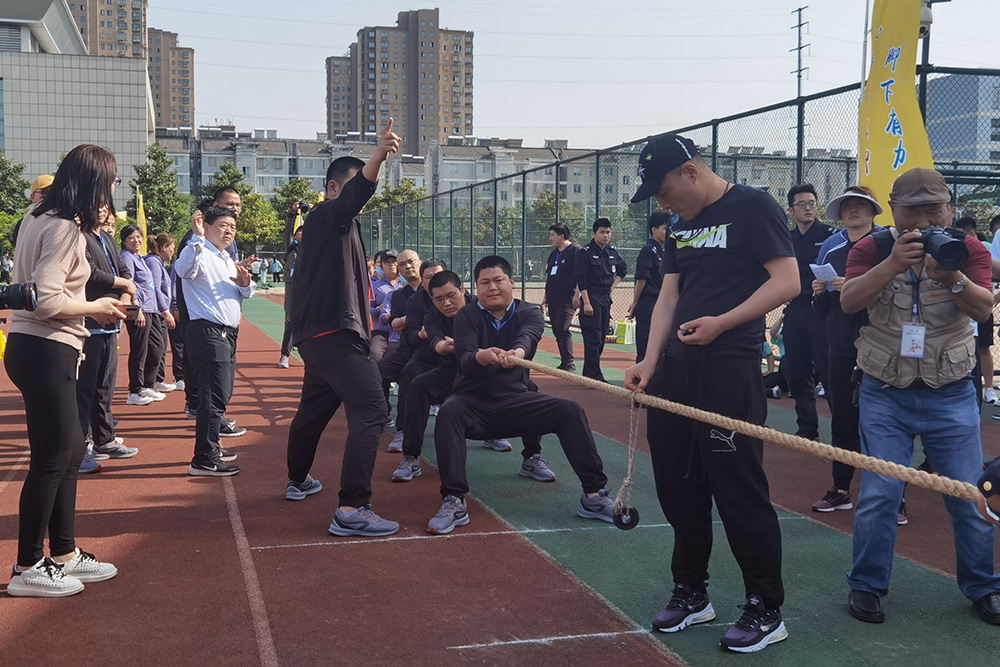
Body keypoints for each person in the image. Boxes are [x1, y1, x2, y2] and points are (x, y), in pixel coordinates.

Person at [625, 134, 798, 653]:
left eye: (664, 189)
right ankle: (692, 594)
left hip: (728, 367)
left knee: (738, 490)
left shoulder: (755, 207)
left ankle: (766, 607)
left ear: (692, 171)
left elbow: (787, 280)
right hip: (675, 368)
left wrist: (723, 322)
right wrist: (649, 360)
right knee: (678, 487)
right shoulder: (680, 227)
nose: (662, 202)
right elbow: (669, 296)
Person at [840, 167, 1000, 626]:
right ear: (894, 211)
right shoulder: (871, 247)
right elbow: (849, 301)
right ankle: (867, 585)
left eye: (935, 211)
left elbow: (984, 307)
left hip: (950, 391)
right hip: (884, 391)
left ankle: (984, 585)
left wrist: (948, 275)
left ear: (951, 209)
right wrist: (893, 263)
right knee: (880, 493)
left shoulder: (967, 248)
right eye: (914, 212)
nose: (925, 222)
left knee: (969, 495)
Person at [5, 144, 123, 597]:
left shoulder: (37, 217)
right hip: (46, 345)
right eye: (111, 182)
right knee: (54, 457)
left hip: (35, 346)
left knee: (70, 451)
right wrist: (97, 307)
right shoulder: (64, 229)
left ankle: (64, 552)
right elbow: (49, 299)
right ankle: (28, 564)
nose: (112, 191)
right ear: (94, 183)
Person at [427, 256, 616, 535]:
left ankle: (594, 495)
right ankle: (453, 499)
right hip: (473, 404)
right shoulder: (467, 315)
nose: (491, 287)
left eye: (498, 280)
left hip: (516, 402)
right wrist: (482, 356)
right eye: (484, 283)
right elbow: (465, 359)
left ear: (512, 282)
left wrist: (517, 353)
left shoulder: (530, 312)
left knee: (570, 410)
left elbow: (528, 337)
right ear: (475, 288)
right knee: (450, 410)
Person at [284, 121, 402, 538]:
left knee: (313, 412)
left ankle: (298, 479)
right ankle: (352, 507)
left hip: (322, 338)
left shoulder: (340, 226)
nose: (360, 197)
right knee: (372, 410)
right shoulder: (327, 216)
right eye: (352, 188)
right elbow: (355, 194)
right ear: (333, 189)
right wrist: (378, 157)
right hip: (334, 335)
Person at [809, 186, 879, 514]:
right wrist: (820, 293)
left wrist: (854, 289)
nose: (853, 211)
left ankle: (894, 497)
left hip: (880, 347)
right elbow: (820, 312)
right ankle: (840, 489)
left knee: (882, 422)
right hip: (839, 346)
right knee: (842, 421)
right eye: (847, 206)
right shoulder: (832, 250)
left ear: (873, 210)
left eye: (860, 205)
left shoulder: (887, 247)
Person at [175, 206, 255, 476]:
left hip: (227, 334)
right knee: (214, 396)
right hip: (208, 333)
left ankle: (211, 447)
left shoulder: (225, 258)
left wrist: (245, 284)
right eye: (222, 225)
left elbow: (241, 293)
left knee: (222, 393)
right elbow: (183, 270)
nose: (229, 230)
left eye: (232, 226)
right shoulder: (197, 252)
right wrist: (196, 239)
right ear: (205, 226)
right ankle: (204, 458)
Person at [77, 206, 138, 471]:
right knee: (84, 391)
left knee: (105, 389)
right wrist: (124, 285)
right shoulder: (80, 237)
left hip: (111, 323)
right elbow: (91, 274)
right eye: (97, 206)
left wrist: (125, 296)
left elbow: (125, 272)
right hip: (90, 322)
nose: (102, 212)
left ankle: (105, 440)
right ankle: (79, 449)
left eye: (106, 207)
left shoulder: (107, 238)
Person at [782, 183, 834, 440]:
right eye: (801, 204)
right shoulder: (786, 239)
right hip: (795, 311)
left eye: (812, 203)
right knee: (797, 371)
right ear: (791, 210)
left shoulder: (831, 236)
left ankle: (843, 434)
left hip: (822, 312)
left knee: (828, 370)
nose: (808, 208)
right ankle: (807, 429)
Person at [376, 248, 422, 437]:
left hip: (434, 350)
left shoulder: (434, 291)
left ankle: (492, 431)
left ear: (420, 262)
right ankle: (383, 416)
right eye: (402, 264)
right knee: (374, 371)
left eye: (410, 262)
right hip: (405, 347)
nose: (406, 266)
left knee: (409, 377)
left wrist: (404, 320)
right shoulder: (397, 296)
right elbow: (393, 323)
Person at [574, 218, 628, 382]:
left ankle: (588, 373)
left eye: (608, 232)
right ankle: (595, 374)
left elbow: (623, 269)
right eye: (602, 232)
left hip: (606, 298)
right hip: (592, 297)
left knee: (602, 336)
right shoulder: (585, 252)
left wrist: (613, 284)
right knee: (593, 337)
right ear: (594, 233)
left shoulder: (612, 251)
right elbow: (581, 278)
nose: (606, 235)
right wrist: (587, 302)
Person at [119, 224, 164, 406]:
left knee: (156, 347)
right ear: (124, 241)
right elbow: (128, 282)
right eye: (131, 238)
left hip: (151, 308)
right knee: (140, 349)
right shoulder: (126, 257)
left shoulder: (140, 258)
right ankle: (135, 390)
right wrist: (136, 308)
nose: (136, 240)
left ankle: (147, 384)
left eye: (138, 237)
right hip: (140, 309)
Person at [956, 216, 997, 405]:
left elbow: (993, 267)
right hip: (955, 326)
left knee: (982, 349)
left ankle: (989, 388)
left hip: (976, 316)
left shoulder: (981, 250)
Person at [628, 212, 669, 362]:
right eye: (665, 228)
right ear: (654, 229)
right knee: (645, 345)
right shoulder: (648, 249)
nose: (668, 232)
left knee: (660, 345)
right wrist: (635, 303)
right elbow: (641, 279)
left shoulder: (663, 250)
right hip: (648, 303)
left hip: (661, 303)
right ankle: (641, 382)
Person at [541, 223, 582, 372]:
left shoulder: (576, 251)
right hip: (553, 299)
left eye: (553, 235)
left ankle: (569, 364)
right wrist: (544, 299)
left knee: (563, 328)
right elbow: (549, 278)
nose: (550, 238)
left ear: (561, 236)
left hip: (567, 299)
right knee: (557, 330)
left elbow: (581, 276)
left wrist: (578, 294)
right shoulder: (554, 254)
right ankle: (564, 362)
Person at [145, 233, 178, 393]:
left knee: (162, 347)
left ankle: (158, 380)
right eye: (172, 248)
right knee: (156, 348)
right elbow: (155, 288)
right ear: (164, 248)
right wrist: (166, 312)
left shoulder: (159, 263)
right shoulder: (153, 262)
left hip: (160, 311)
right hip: (156, 312)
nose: (173, 252)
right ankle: (148, 383)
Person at [369, 248, 402, 361]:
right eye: (387, 262)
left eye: (394, 261)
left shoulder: (405, 285)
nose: (391, 265)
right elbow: (368, 309)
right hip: (381, 332)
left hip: (401, 332)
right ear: (381, 267)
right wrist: (379, 309)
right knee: (375, 354)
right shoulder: (374, 286)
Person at [278, 224, 304, 368]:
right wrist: (292, 214)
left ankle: (307, 355)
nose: (302, 233)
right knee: (290, 319)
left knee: (307, 319)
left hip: (307, 285)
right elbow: (287, 230)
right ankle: (285, 354)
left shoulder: (312, 247)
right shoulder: (291, 247)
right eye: (299, 231)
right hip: (292, 284)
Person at [11, 174, 54, 246]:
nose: (50, 197)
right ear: (33, 197)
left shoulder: (66, 221)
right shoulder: (23, 224)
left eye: (54, 193)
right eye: (45, 193)